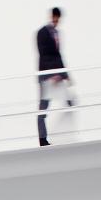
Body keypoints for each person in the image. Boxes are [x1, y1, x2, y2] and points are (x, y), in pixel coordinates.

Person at [35, 8, 75, 147]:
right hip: (47, 76)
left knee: (70, 102)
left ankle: (63, 135)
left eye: (58, 18)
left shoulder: (56, 33)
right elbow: (44, 54)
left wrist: (65, 75)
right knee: (43, 108)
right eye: (54, 17)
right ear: (51, 16)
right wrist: (52, 74)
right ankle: (43, 139)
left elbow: (58, 55)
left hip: (57, 75)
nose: (56, 20)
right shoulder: (42, 32)